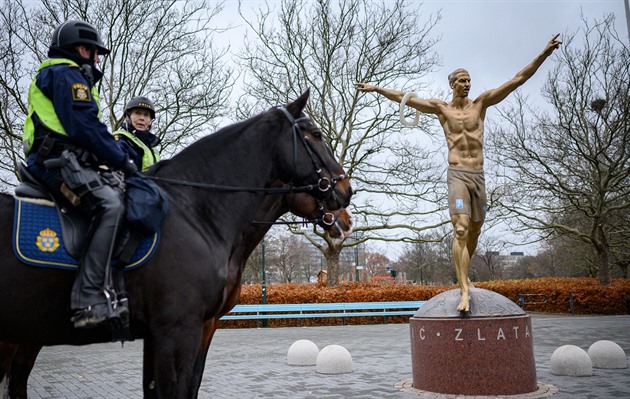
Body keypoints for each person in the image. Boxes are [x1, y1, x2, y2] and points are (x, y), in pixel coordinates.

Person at [357, 34, 561, 312]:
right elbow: (404, 99)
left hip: (479, 176)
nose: (467, 84)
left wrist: (544, 53)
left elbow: (517, 80)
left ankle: (464, 278)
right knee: (461, 228)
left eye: (469, 80)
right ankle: (464, 289)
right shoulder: (441, 109)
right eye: (462, 81)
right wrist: (375, 88)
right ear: (452, 84)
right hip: (457, 175)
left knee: (475, 229)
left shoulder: (482, 103)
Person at [22, 20, 138, 328]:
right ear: (82, 49)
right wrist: (122, 159)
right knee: (110, 206)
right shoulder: (66, 75)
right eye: (96, 53)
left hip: (66, 159)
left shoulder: (64, 74)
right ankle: (87, 299)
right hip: (57, 162)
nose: (98, 60)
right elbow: (84, 127)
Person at [113, 96, 161, 171]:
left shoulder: (153, 149)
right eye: (138, 113)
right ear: (127, 117)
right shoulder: (120, 141)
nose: (142, 118)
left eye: (146, 115)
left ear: (150, 120)